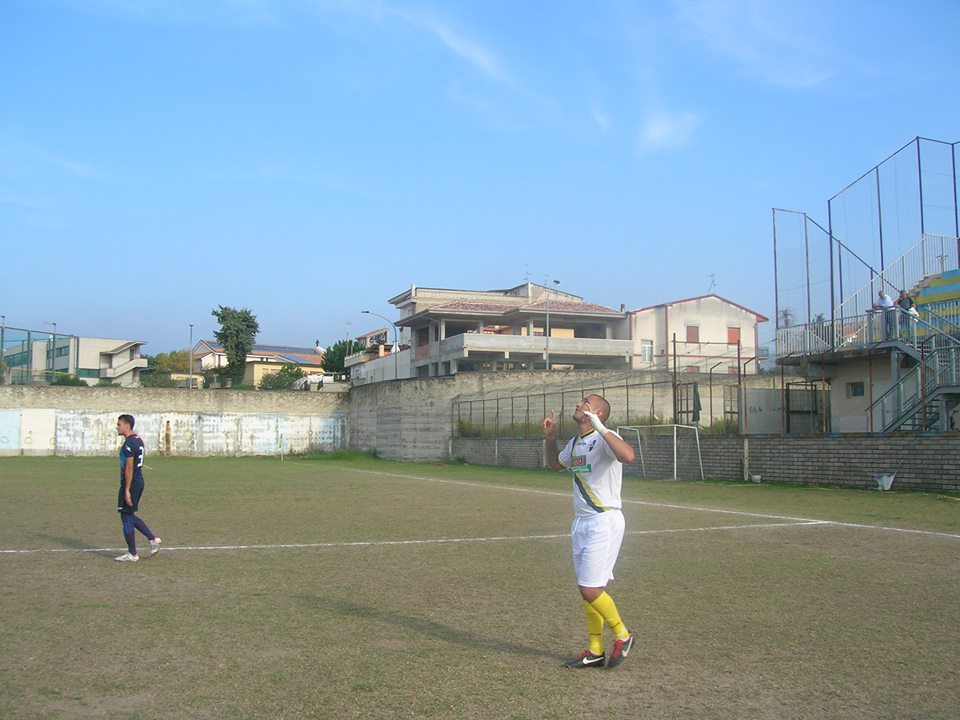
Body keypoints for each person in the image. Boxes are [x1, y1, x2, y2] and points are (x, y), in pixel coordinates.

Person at [543, 394, 637, 669]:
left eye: (584, 402)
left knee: (590, 587)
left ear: (596, 412)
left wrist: (601, 427)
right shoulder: (574, 443)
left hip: (604, 520)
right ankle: (595, 650)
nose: (577, 404)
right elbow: (554, 465)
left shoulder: (605, 438)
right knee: (588, 588)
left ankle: (623, 635)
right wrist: (550, 438)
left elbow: (628, 456)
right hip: (581, 522)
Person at [115, 414, 161, 562]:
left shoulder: (128, 444)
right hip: (138, 481)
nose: (117, 427)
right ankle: (153, 540)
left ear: (127, 425)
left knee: (126, 516)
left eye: (119, 424)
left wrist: (127, 490)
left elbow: (129, 468)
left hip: (132, 482)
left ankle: (133, 554)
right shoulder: (138, 440)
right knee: (129, 515)